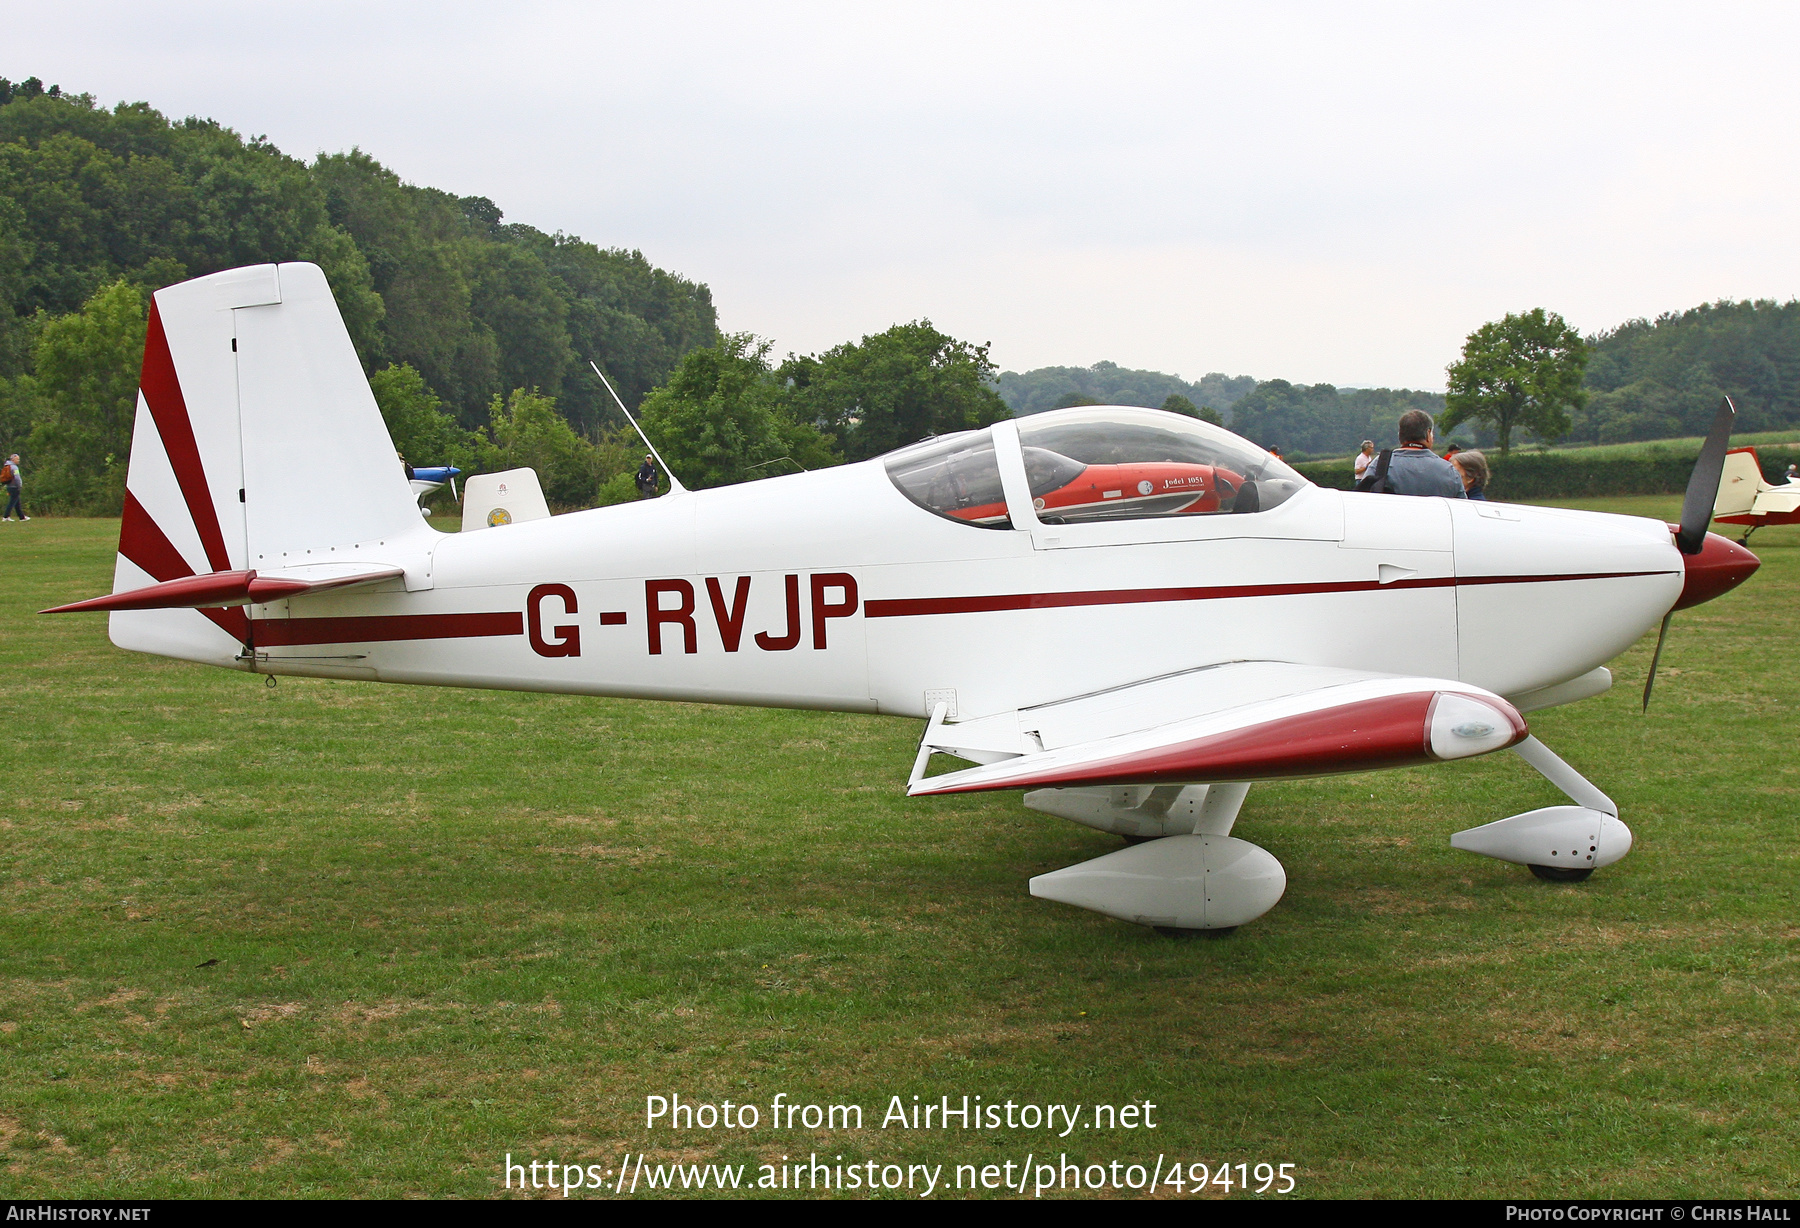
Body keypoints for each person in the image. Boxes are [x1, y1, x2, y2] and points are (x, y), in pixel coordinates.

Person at [1354, 410, 1465, 498]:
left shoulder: (1379, 465)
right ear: (1428, 434)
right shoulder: (1449, 470)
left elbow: (1364, 503)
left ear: (1400, 435)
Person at [1, 453, 24, 521]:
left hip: (9, 486)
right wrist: (19, 485)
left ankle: (22, 517)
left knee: (17, 502)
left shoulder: (7, 466)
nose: (18, 460)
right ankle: (6, 516)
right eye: (17, 459)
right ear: (13, 459)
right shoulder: (14, 467)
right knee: (12, 502)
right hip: (14, 486)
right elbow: (17, 477)